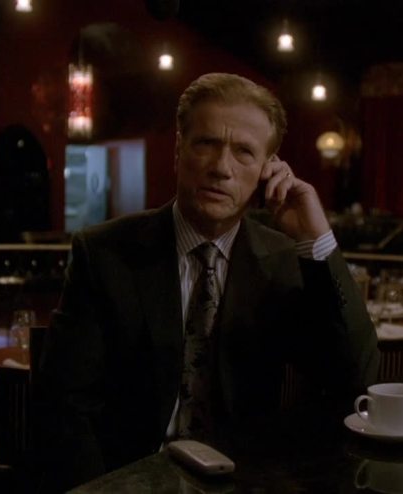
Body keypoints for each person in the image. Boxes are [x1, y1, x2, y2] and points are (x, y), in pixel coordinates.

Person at [36, 72, 379, 491]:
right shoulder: (105, 254)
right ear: (178, 151)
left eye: (243, 152)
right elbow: (65, 405)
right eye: (206, 144)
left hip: (245, 481)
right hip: (130, 480)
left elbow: (354, 377)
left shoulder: (283, 259)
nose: (221, 168)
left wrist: (317, 239)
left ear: (268, 170)